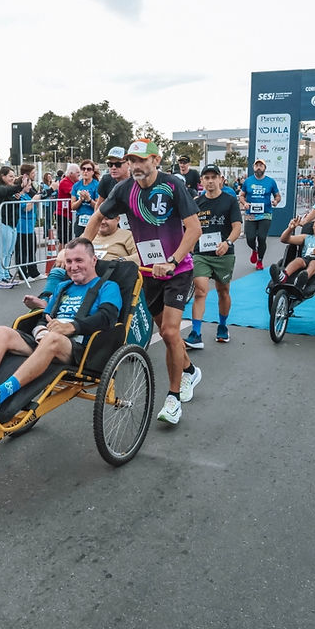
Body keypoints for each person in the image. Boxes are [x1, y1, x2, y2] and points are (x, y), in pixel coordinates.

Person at [80, 139, 202, 427]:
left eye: (141, 160)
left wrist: (172, 260)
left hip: (177, 269)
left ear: (156, 160)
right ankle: (190, 370)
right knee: (165, 330)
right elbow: (98, 216)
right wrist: (80, 250)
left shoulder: (173, 185)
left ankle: (173, 399)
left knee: (171, 332)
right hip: (148, 272)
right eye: (132, 161)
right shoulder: (124, 189)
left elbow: (194, 228)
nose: (135, 166)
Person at [0, 238, 122, 413]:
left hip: (79, 348)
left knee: (53, 339)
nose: (73, 266)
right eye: (69, 261)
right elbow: (44, 316)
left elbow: (107, 317)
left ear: (94, 260)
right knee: (0, 332)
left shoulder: (108, 286)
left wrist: (72, 327)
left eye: (79, 260)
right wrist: (39, 330)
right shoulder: (63, 286)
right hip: (46, 340)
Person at [184, 164, 242, 349]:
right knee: (201, 290)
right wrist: (190, 246)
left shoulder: (230, 200)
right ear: (201, 181)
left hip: (224, 254)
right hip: (201, 254)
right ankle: (196, 333)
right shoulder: (196, 202)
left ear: (221, 179)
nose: (210, 181)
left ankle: (223, 326)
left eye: (213, 177)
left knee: (222, 291)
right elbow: (189, 227)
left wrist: (227, 243)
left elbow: (237, 227)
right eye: (206, 177)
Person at [27, 213, 135, 307]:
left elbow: (138, 256)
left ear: (117, 219)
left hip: (109, 272)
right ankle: (45, 301)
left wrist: (120, 261)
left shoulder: (127, 235)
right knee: (57, 271)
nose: (102, 222)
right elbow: (72, 247)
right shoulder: (90, 234)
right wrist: (62, 253)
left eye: (107, 219)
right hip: (82, 269)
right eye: (100, 219)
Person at [237, 157, 281, 270]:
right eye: (257, 165)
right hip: (251, 213)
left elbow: (278, 196)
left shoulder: (270, 181)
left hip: (265, 213)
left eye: (261, 165)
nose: (259, 167)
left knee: (262, 238)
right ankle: (254, 250)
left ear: (265, 168)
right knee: (250, 238)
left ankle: (260, 260)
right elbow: (241, 195)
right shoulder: (248, 181)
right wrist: (244, 203)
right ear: (253, 168)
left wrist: (276, 201)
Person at [0, 165, 26, 288]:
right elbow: (5, 192)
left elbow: (13, 202)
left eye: (13, 176)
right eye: (10, 176)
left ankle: (6, 274)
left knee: (9, 251)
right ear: (3, 176)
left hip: (11, 224)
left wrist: (17, 196)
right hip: (1, 223)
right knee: (3, 251)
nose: (12, 178)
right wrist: (20, 187)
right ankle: (1, 277)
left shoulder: (9, 189)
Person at [70, 159, 98, 233]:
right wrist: (80, 200)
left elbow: (98, 206)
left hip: (93, 219)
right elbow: (72, 206)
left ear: (93, 172)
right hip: (80, 219)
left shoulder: (97, 185)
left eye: (88, 169)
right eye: (83, 169)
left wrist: (89, 200)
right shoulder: (76, 185)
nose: (85, 171)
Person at [56, 163, 79, 244]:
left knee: (70, 237)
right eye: (77, 172)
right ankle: (61, 255)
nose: (79, 174)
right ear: (71, 173)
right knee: (63, 239)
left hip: (70, 213)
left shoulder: (75, 182)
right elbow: (75, 193)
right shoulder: (65, 182)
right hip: (63, 214)